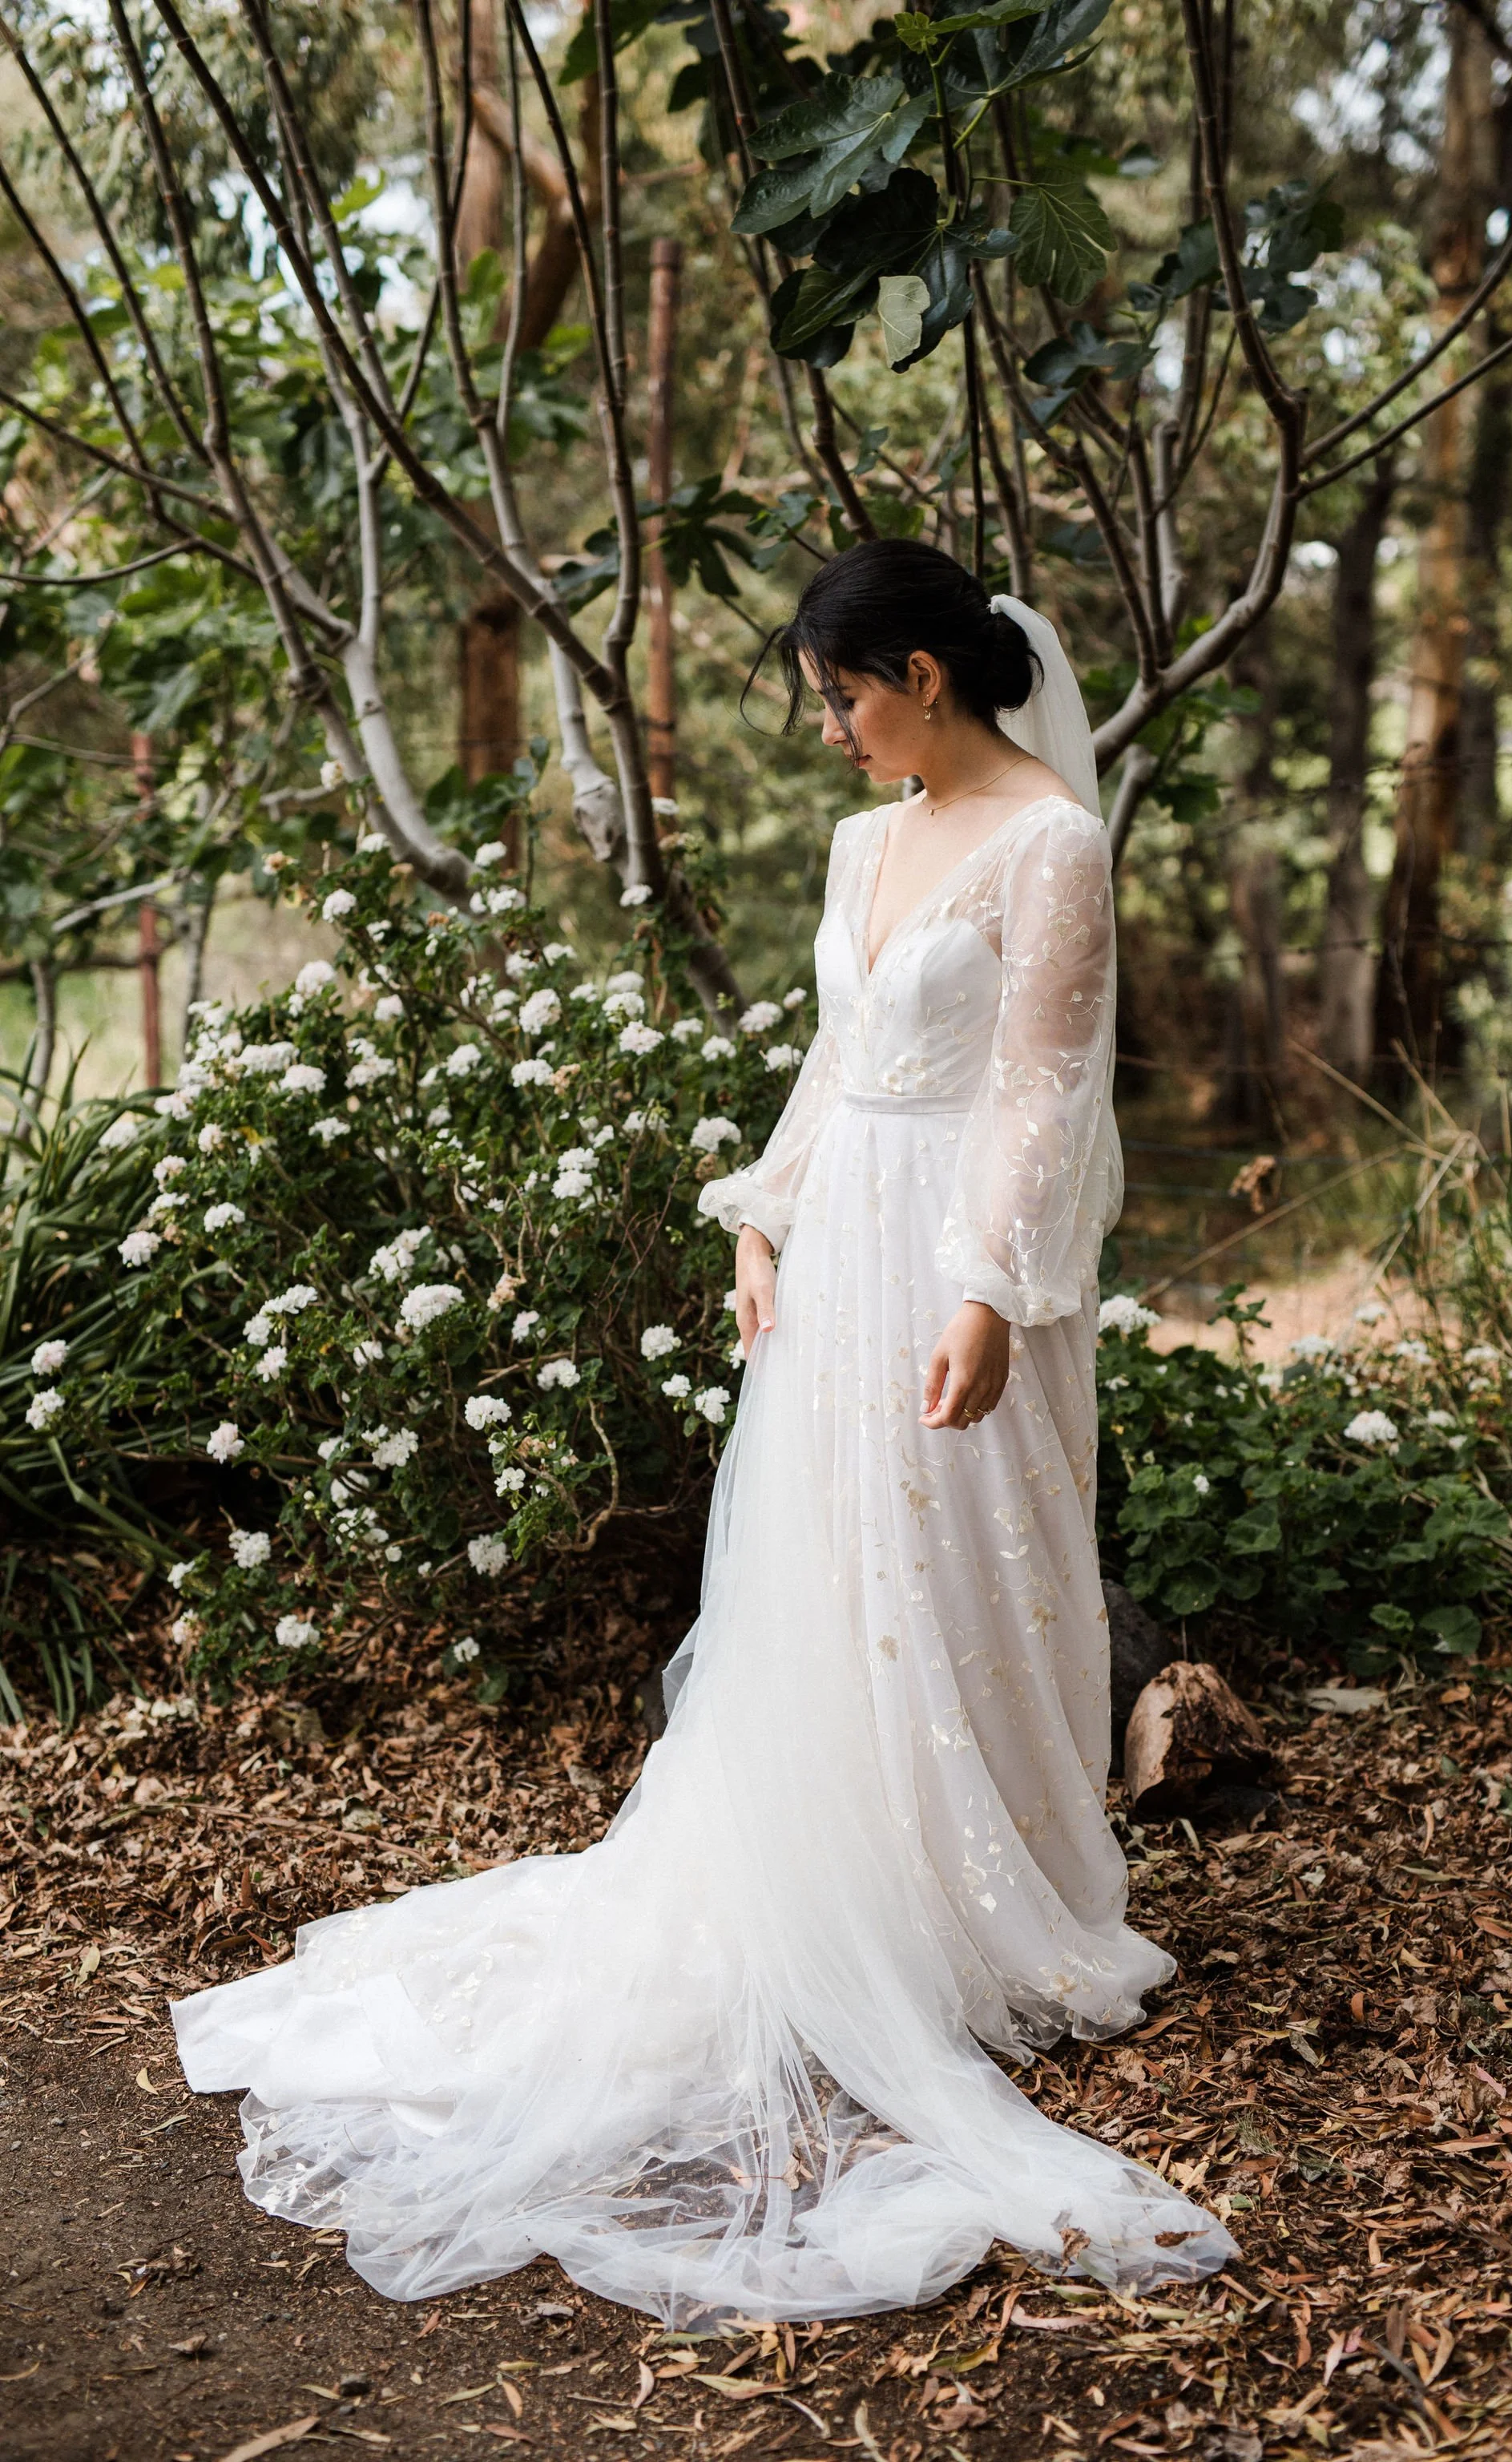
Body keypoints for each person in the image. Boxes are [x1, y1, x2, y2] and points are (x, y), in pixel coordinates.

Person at [169, 540, 1236, 2327]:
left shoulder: (1050, 841)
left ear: (925, 671)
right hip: (836, 1259)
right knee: (832, 1578)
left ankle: (987, 1906)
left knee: (961, 1565)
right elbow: (835, 1060)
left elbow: (1044, 1094)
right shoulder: (864, 839)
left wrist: (985, 1292)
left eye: (842, 697)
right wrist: (764, 1213)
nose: (828, 731)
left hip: (964, 1264)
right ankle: (846, 1883)